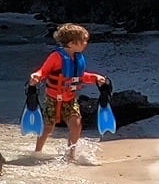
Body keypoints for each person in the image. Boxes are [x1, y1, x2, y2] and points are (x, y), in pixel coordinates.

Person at [28, 23, 109, 155]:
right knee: (48, 128)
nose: (85, 43)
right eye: (83, 41)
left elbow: (80, 76)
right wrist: (37, 76)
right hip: (53, 98)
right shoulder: (55, 57)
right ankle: (37, 151)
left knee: (76, 125)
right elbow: (44, 71)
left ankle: (71, 154)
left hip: (70, 99)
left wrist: (96, 78)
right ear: (71, 44)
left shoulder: (78, 58)